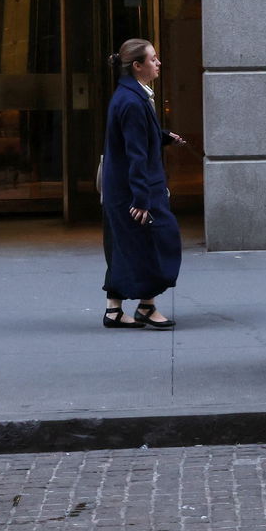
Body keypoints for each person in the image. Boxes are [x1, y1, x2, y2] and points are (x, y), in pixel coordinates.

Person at [99, 39, 187, 329]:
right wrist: (141, 200)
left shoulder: (130, 95)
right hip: (133, 189)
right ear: (137, 66)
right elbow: (135, 154)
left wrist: (161, 136)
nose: (158, 63)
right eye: (153, 59)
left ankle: (115, 311)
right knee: (160, 240)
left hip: (121, 187)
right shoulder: (132, 101)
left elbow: (132, 138)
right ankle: (147, 306)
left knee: (124, 246)